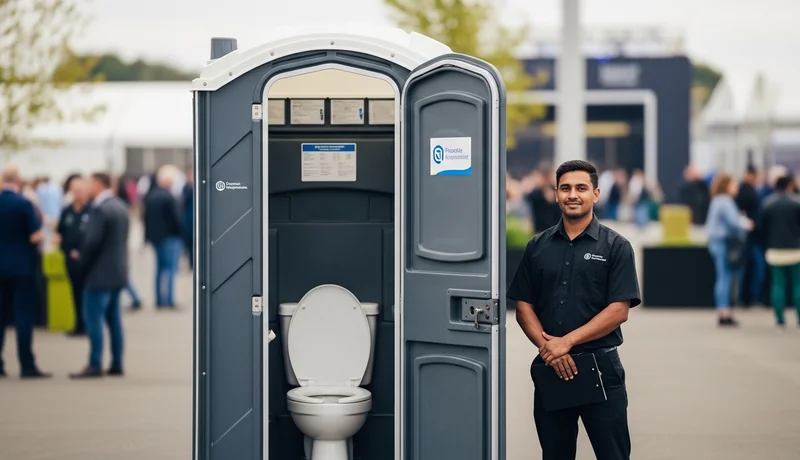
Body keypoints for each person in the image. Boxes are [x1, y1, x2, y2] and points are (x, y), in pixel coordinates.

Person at [509, 160, 641, 460]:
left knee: (613, 455)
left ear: (595, 194)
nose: (573, 195)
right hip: (551, 370)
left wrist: (565, 343)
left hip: (602, 369)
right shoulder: (537, 247)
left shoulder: (616, 247)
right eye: (565, 188)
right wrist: (550, 350)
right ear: (555, 194)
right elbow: (523, 306)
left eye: (581, 188)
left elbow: (619, 310)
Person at [69, 173, 129, 379]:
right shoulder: (121, 206)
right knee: (114, 320)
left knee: (93, 318)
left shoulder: (99, 209)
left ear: (97, 184)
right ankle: (117, 362)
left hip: (99, 274)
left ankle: (95, 363)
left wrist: (81, 262)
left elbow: (92, 242)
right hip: (117, 272)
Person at [0, 165, 51, 379]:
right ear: (18, 181)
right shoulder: (23, 204)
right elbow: (35, 236)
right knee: (23, 316)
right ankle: (26, 364)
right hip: (21, 267)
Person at [705, 174, 753, 326]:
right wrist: (746, 225)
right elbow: (733, 223)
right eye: (733, 184)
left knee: (722, 277)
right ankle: (724, 311)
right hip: (724, 243)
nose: (736, 187)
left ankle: (723, 310)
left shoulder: (717, 200)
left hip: (717, 242)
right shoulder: (725, 201)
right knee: (725, 278)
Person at [759, 175, 800, 329]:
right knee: (797, 284)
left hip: (775, 248)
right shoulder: (797, 203)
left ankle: (780, 319)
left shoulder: (768, 204)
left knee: (778, 284)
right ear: (789, 185)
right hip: (796, 249)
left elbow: (762, 228)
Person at [55, 176, 91, 336]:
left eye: (80, 191)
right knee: (75, 292)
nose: (78, 194)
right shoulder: (67, 211)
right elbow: (60, 233)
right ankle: (78, 324)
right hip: (70, 258)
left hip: (88, 259)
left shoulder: (92, 210)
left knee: (88, 293)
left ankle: (90, 324)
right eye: (75, 191)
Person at [143, 165, 183, 307]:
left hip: (155, 238)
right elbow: (176, 219)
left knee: (159, 270)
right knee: (171, 269)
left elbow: (145, 218)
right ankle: (170, 300)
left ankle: (159, 300)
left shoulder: (150, 196)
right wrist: (181, 233)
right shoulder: (169, 197)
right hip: (170, 237)